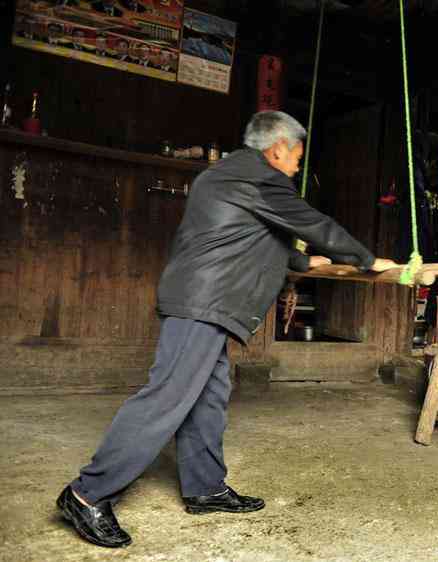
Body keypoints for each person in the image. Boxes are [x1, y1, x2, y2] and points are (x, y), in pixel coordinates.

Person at [56, 111, 398, 548]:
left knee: (208, 395)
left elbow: (237, 232)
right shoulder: (261, 176)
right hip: (203, 303)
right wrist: (368, 259)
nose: (296, 165)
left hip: (207, 302)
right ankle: (88, 494)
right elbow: (312, 223)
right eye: (296, 156)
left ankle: (205, 487)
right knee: (167, 397)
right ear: (277, 149)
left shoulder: (228, 176)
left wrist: (298, 261)